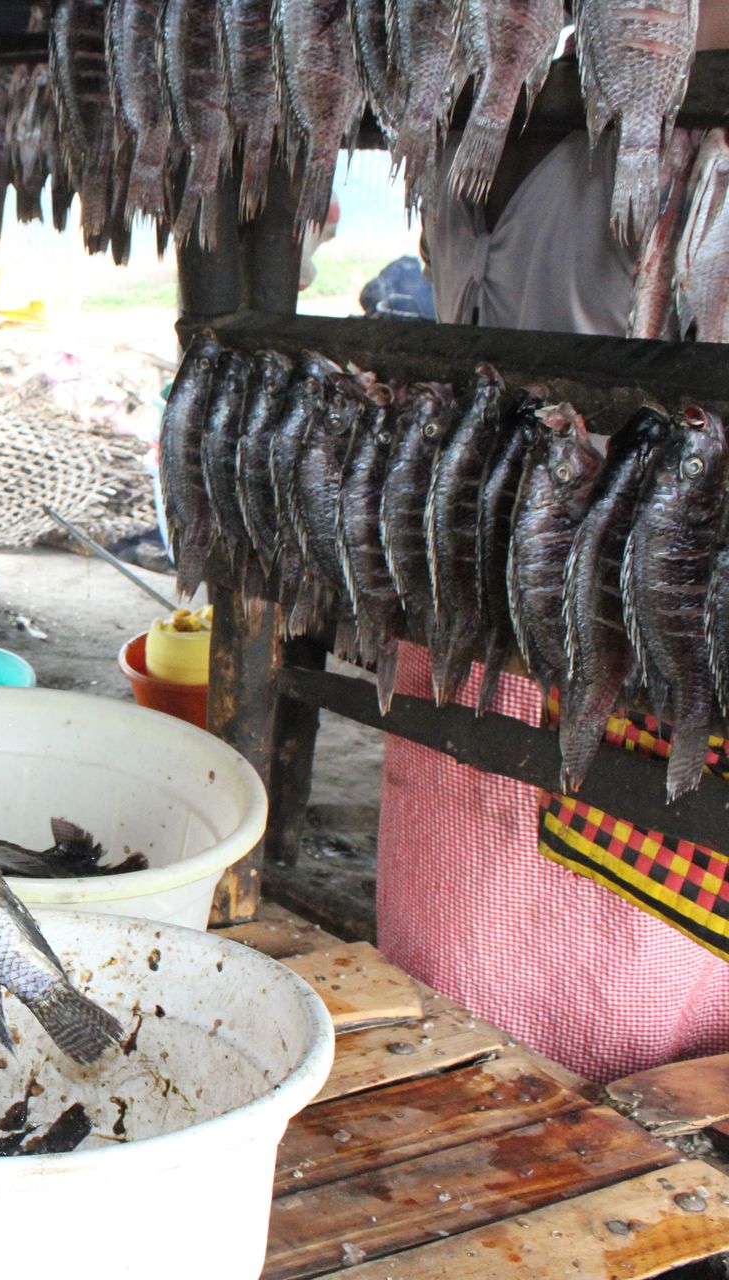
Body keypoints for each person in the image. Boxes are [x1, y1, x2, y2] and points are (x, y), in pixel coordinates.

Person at [390, 20, 729, 1085]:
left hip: (627, 590)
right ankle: (446, 1098)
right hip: (459, 565)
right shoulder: (456, 102)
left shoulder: (683, 117)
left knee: (622, 961)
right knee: (444, 929)